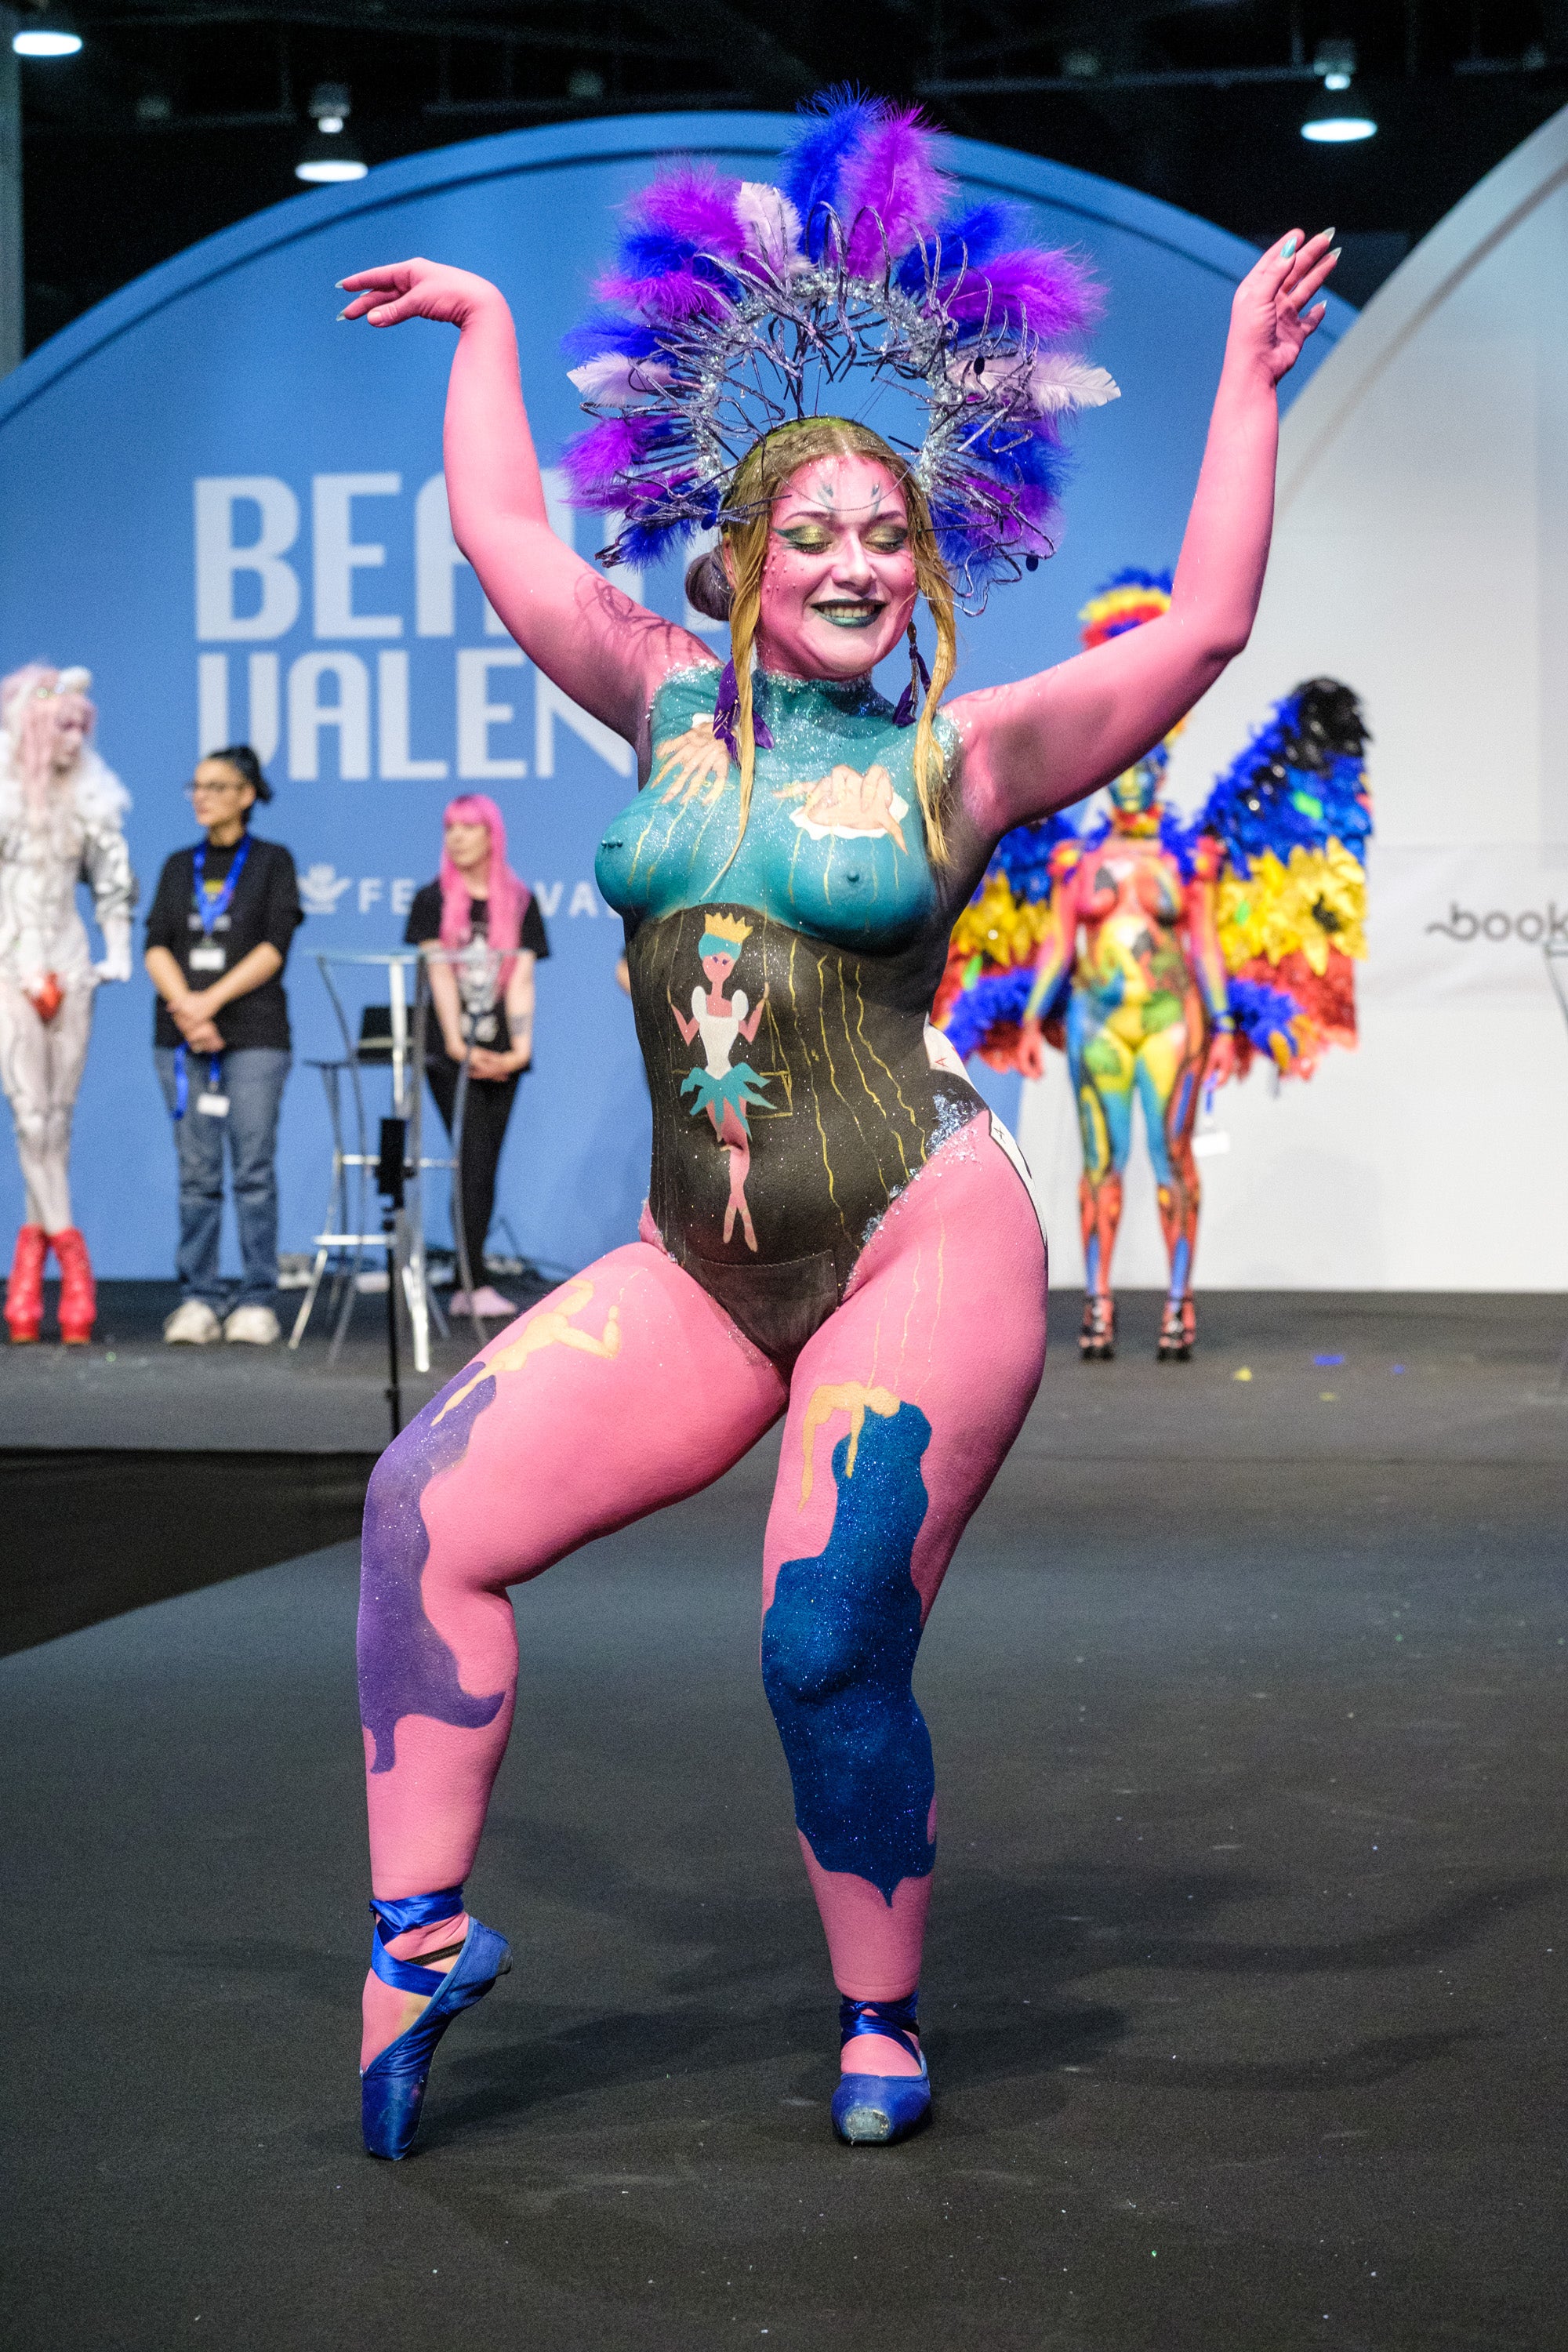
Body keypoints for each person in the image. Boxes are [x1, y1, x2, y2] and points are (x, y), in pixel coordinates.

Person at [339, 92, 1336, 2160]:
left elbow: (1215, 630)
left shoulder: (965, 763)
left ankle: (882, 2020)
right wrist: (487, 335)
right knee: (419, 1523)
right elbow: (512, 536)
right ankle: (420, 1932)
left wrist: (1243, 383)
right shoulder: (656, 698)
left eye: (893, 536)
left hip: (917, 1243)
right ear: (746, 560)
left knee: (821, 1640)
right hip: (696, 1265)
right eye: (822, 535)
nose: (864, 563)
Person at [936, 572, 1371, 1363]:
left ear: (1161, 767)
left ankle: (1178, 1305)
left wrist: (1223, 1024)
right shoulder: (1075, 859)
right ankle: (1096, 1305)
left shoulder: (1193, 862)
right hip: (1100, 1029)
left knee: (1172, 1163)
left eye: (1148, 765)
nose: (1137, 775)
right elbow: (1059, 951)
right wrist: (1031, 1023)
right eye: (1126, 764)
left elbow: (1203, 951)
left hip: (1172, 1029)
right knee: (1099, 1166)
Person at [143, 746, 303, 1344]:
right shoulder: (177, 866)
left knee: (253, 1169)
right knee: (197, 1173)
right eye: (196, 784)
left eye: (216, 786)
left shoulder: (272, 862)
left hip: (254, 1036)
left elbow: (273, 948)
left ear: (246, 795)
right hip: (182, 1040)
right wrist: (189, 1008)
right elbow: (156, 944)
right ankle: (199, 1297)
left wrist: (207, 1005)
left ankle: (257, 1297)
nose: (201, 795)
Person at [1, 663, 136, 1345]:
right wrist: (21, 964)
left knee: (58, 1120)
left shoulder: (89, 798)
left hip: (72, 961)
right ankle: (70, 1266)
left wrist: (117, 947)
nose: (74, 740)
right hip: (8, 964)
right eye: (62, 726)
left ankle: (26, 1277)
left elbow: (113, 880)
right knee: (30, 1117)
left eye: (82, 727)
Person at [403, 793, 550, 1319]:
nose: (457, 838)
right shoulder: (430, 901)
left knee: (484, 1163)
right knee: (474, 1157)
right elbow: (439, 978)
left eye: (468, 828)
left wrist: (518, 1051)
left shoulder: (520, 901)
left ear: (491, 834)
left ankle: (471, 1275)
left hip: (503, 1053)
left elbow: (523, 980)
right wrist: (461, 1047)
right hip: (450, 1054)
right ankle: (471, 1278)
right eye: (450, 829)